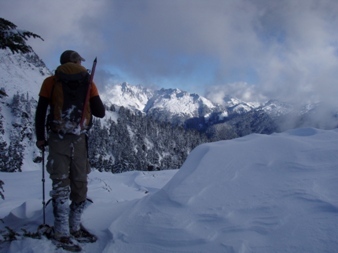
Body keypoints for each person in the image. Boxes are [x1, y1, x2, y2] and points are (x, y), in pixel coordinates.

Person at [35, 50, 105, 250]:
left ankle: (61, 232)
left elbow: (40, 112)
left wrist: (40, 138)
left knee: (60, 183)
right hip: (79, 139)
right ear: (75, 61)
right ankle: (75, 227)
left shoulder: (51, 81)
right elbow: (100, 112)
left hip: (58, 139)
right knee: (79, 181)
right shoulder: (88, 81)